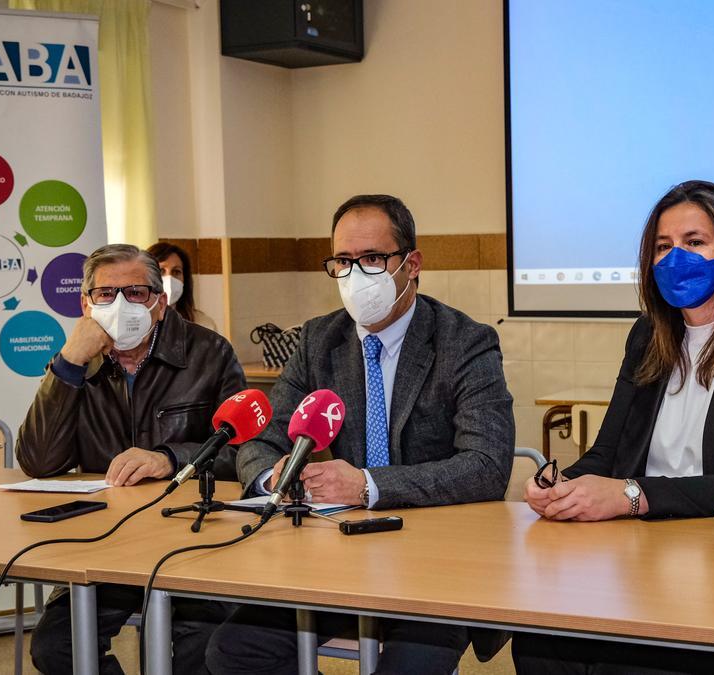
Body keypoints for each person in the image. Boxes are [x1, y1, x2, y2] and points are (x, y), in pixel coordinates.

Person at [514, 180, 714, 674]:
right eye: (662, 247)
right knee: (541, 645)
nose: (674, 258)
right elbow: (607, 455)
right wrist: (563, 485)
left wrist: (629, 495)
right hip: (643, 555)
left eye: (694, 242)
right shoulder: (649, 336)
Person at [205, 194, 515, 675]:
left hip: (436, 562)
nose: (355, 275)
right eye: (343, 262)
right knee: (235, 650)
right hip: (334, 555)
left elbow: (487, 465)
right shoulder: (318, 340)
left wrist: (369, 485)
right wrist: (274, 478)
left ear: (412, 265)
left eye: (372, 259)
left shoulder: (465, 342)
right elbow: (262, 438)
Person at [17, 243, 246, 675]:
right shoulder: (76, 365)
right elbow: (38, 461)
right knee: (56, 647)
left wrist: (171, 458)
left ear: (159, 303)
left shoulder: (209, 353)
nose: (120, 304)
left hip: (195, 543)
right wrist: (67, 364)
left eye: (136, 292)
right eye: (105, 294)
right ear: (85, 304)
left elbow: (243, 451)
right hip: (106, 543)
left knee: (205, 650)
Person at [147, 241, 218, 332]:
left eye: (176, 272)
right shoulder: (134, 322)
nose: (169, 279)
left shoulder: (204, 325)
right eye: (161, 271)